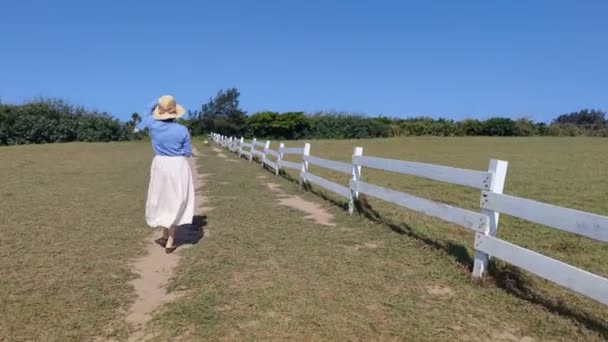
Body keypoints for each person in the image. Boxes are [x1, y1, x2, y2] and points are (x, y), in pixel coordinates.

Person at [142, 95, 194, 253]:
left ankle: (166, 235)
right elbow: (187, 152)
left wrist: (157, 100)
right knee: (175, 199)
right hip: (178, 164)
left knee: (162, 198)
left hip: (161, 164)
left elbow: (145, 112)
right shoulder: (183, 130)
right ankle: (170, 239)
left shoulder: (153, 126)